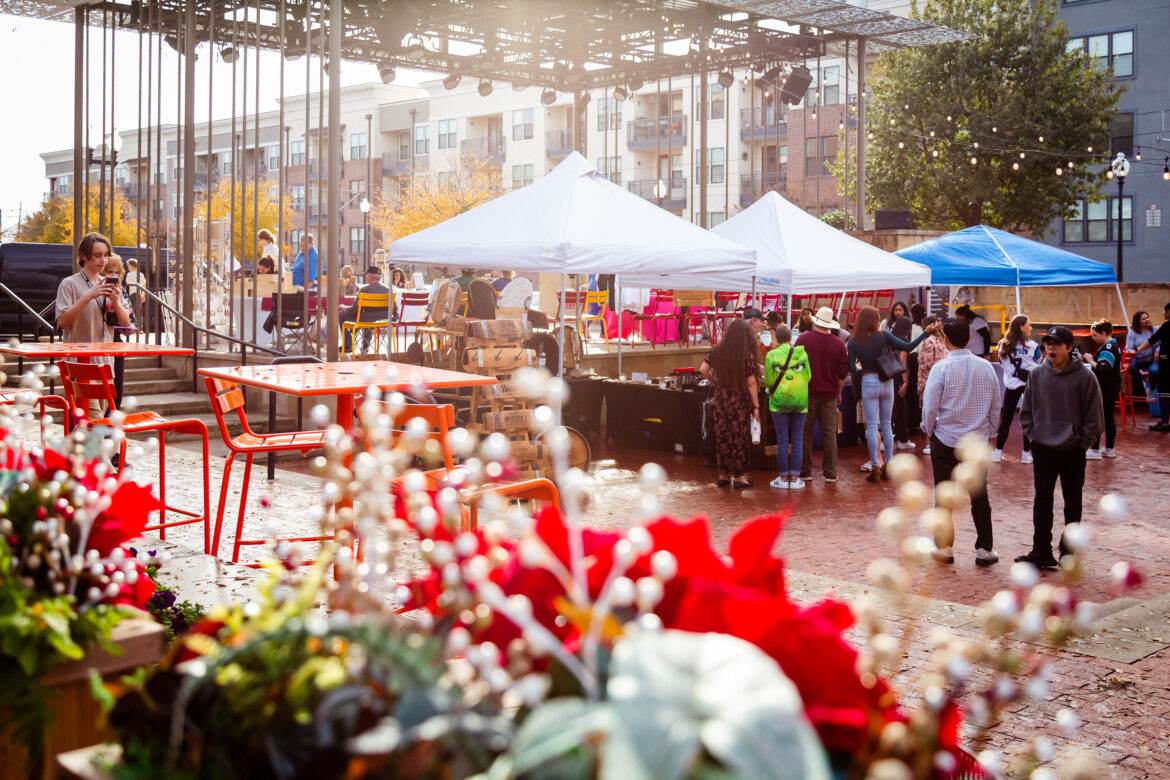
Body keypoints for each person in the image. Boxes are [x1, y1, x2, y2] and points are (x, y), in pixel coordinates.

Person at [1016, 326, 1104, 569]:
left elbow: (1094, 417)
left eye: (1056, 344)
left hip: (1073, 450)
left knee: (1072, 503)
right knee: (1041, 501)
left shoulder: (1086, 377)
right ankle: (1041, 550)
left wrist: (1082, 444)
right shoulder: (1036, 374)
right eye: (1047, 343)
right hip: (1043, 448)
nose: (1051, 348)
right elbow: (1027, 412)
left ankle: (1069, 552)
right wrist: (1033, 438)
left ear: (1069, 347)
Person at [921, 318, 1002, 566]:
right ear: (969, 338)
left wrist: (929, 430)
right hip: (975, 441)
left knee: (944, 494)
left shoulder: (941, 369)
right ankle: (984, 549)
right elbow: (996, 406)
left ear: (946, 340)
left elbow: (929, 407)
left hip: (945, 438)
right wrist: (990, 432)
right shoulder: (986, 367)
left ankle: (944, 547)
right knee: (979, 495)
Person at [847, 306, 936, 482]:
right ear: (875, 319)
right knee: (887, 424)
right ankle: (889, 464)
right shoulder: (884, 336)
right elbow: (909, 346)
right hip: (887, 381)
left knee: (872, 426)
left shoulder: (854, 341)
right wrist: (925, 332)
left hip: (868, 381)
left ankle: (875, 466)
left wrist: (861, 368)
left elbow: (851, 369)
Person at [56, 232, 131, 417]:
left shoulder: (110, 284)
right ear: (83, 255)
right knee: (93, 425)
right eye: (97, 255)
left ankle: (74, 445)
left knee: (91, 427)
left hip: (106, 365)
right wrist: (89, 295)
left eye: (105, 255)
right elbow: (63, 322)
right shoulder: (69, 284)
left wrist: (116, 301)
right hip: (80, 366)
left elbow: (126, 325)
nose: (103, 260)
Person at [700, 319, 760, 489]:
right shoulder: (746, 355)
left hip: (721, 399)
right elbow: (751, 383)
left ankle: (723, 474)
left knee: (723, 437)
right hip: (739, 400)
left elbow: (703, 369)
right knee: (738, 438)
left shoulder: (718, 350)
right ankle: (739, 476)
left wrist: (716, 381)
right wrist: (756, 405)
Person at [796, 306, 848, 483]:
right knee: (830, 435)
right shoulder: (838, 343)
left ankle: (805, 471)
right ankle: (830, 473)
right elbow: (842, 374)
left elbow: (795, 367)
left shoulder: (803, 339)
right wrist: (839, 393)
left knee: (805, 434)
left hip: (807, 394)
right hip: (830, 394)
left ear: (815, 321)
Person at [765, 324, 811, 490]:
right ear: (791, 338)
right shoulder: (802, 353)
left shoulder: (772, 355)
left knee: (783, 440)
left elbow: (769, 380)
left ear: (775, 338)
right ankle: (796, 478)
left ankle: (783, 478)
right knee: (797, 439)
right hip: (800, 402)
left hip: (779, 403)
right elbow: (808, 376)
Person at [992, 315, 1042, 464]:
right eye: (1029, 325)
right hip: (1029, 384)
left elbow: (1003, 364)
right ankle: (1026, 454)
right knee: (1029, 420)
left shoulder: (1003, 345)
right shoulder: (1033, 345)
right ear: (1021, 326)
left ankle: (997, 452)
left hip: (1012, 385)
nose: (1031, 328)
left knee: (1006, 419)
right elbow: (1039, 362)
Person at [1083, 319, 1121, 459]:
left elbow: (1104, 367)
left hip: (1104, 387)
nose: (1093, 338)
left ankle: (1094, 450)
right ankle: (1109, 448)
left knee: (1097, 417)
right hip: (1110, 387)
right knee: (1108, 418)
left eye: (1094, 335)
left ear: (1103, 333)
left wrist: (1091, 360)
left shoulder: (1109, 347)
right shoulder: (1112, 346)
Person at [1134, 303, 1170, 431]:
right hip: (1159, 362)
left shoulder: (1166, 326)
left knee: (1164, 394)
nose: (1163, 313)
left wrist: (1136, 350)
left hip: (1166, 364)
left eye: (1165, 311)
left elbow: (1152, 340)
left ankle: (1165, 423)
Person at [338, 266, 391, 353]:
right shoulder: (388, 290)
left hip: (366, 320)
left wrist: (343, 307)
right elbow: (394, 310)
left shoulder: (364, 290)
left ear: (370, 276)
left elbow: (354, 310)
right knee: (369, 316)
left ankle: (348, 345)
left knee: (341, 315)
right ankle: (365, 346)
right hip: (381, 321)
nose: (366, 276)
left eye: (366, 274)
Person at [916, 315, 948, 455]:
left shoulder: (929, 342)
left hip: (930, 382)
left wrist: (920, 385)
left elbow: (926, 364)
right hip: (944, 381)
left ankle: (931, 442)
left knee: (930, 413)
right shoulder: (943, 340)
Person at [890, 316, 916, 451]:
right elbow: (903, 361)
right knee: (895, 409)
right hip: (898, 377)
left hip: (888, 375)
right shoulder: (904, 340)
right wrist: (905, 381)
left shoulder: (890, 338)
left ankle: (902, 439)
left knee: (899, 409)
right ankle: (888, 440)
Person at [1125, 310, 1158, 399]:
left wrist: (1158, 351)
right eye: (1143, 319)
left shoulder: (1156, 330)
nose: (1147, 320)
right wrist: (1131, 350)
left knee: (1155, 371)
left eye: (1147, 317)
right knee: (1128, 367)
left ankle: (1151, 389)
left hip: (1151, 358)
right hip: (1137, 358)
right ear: (1138, 322)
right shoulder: (1132, 333)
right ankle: (1143, 377)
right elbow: (1129, 348)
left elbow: (1162, 342)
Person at [124, 258, 144, 323]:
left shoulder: (129, 274)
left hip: (131, 294)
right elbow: (143, 285)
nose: (128, 268)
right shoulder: (141, 274)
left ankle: (132, 324)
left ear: (130, 266)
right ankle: (140, 327)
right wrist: (143, 295)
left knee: (131, 310)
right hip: (139, 294)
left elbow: (127, 285)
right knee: (139, 311)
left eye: (128, 266)